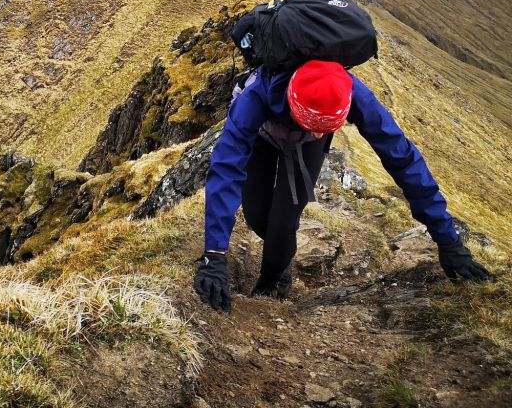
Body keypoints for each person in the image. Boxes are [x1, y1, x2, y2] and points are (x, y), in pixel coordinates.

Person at [194, 59, 494, 312]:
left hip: (305, 148)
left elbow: (403, 160)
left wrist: (448, 241)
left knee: (283, 223)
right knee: (259, 216)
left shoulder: (353, 93)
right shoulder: (255, 96)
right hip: (262, 135)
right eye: (312, 125)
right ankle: (278, 260)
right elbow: (225, 170)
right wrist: (214, 255)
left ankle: (273, 280)